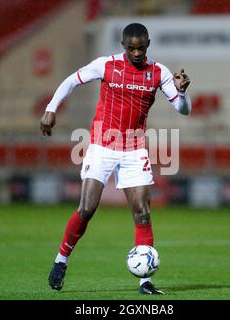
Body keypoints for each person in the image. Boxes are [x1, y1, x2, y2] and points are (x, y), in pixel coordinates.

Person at [40, 23, 191, 295]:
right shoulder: (106, 65)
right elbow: (72, 80)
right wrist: (51, 109)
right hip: (102, 144)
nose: (136, 52)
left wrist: (182, 92)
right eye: (131, 47)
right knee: (87, 208)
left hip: (135, 149)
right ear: (123, 46)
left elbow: (183, 110)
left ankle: (145, 280)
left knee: (142, 212)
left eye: (141, 48)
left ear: (148, 45)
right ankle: (61, 261)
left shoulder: (159, 73)